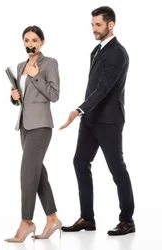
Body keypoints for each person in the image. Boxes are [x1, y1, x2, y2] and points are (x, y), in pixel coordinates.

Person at [59, 6, 135, 236]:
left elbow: (104, 88)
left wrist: (78, 109)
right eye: (92, 25)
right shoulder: (97, 50)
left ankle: (127, 220)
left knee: (116, 168)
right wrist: (84, 112)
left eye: (98, 25)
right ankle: (87, 218)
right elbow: (94, 87)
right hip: (90, 119)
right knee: (80, 162)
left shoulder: (118, 52)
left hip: (109, 120)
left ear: (110, 25)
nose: (94, 29)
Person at [5, 25, 62, 243]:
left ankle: (26, 222)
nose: (31, 44)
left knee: (27, 173)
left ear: (42, 43)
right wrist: (14, 96)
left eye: (35, 40)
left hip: (41, 126)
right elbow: (22, 99)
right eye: (27, 40)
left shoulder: (49, 63)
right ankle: (52, 219)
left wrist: (36, 76)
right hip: (25, 125)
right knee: (38, 174)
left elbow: (54, 95)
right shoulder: (20, 65)